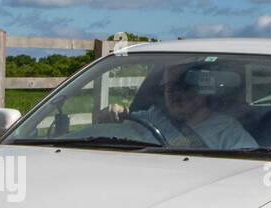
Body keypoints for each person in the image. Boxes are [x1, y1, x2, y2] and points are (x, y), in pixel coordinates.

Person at [105, 63, 257, 149]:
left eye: (181, 86)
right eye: (167, 87)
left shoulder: (228, 131)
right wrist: (112, 113)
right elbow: (118, 122)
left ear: (201, 92)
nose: (172, 93)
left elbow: (250, 168)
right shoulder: (152, 117)